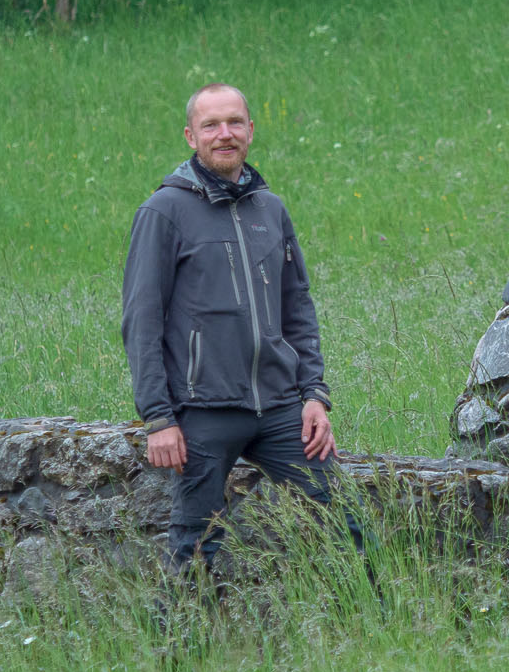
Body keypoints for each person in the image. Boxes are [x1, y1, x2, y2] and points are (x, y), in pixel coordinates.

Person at [121, 83, 360, 576]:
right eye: (211, 125)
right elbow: (141, 322)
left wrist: (314, 395)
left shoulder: (269, 209)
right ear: (191, 136)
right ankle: (174, 651)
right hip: (203, 413)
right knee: (193, 547)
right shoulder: (163, 212)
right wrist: (158, 419)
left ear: (251, 131)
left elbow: (297, 308)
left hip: (280, 412)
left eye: (234, 123)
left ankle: (383, 629)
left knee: (348, 525)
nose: (224, 134)